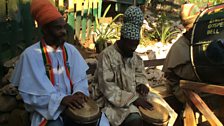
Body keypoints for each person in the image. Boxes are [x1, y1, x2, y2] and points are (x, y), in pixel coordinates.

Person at [10, 0, 109, 126]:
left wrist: (79, 92)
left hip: (74, 104)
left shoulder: (71, 50)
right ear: (45, 30)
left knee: (99, 122)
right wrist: (61, 100)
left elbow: (80, 80)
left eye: (63, 27)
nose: (64, 31)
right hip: (46, 111)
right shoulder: (30, 55)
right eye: (58, 28)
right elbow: (32, 95)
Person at [92, 6, 177, 126]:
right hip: (112, 100)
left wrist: (142, 84)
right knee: (134, 119)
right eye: (130, 45)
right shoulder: (106, 56)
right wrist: (133, 99)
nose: (133, 49)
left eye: (135, 45)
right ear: (122, 39)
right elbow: (108, 87)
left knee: (167, 111)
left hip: (135, 96)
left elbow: (140, 74)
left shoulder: (134, 57)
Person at [162, 3, 201, 103]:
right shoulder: (179, 47)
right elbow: (193, 76)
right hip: (184, 90)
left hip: (198, 86)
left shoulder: (197, 40)